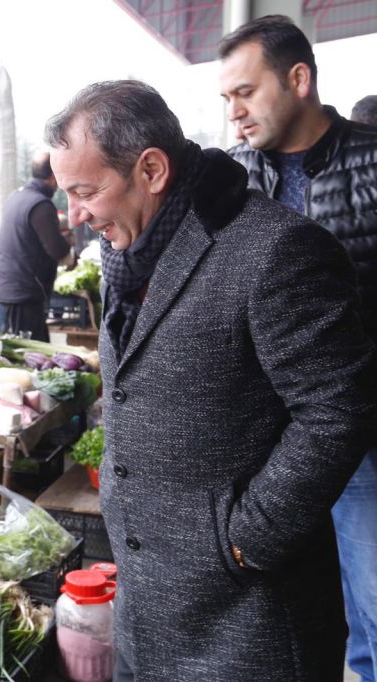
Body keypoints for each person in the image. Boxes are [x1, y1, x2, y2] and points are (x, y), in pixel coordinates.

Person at [46, 79, 376, 681]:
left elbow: (339, 410)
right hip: (150, 611)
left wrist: (247, 540)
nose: (75, 215)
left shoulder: (277, 250)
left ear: (150, 169)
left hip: (247, 623)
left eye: (86, 192)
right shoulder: (129, 254)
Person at [218, 17, 377, 681]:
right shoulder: (230, 183)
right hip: (271, 443)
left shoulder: (372, 161)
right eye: (226, 99)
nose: (234, 113)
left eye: (245, 93)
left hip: (361, 429)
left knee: (372, 594)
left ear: (299, 80)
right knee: (310, 608)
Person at [0, 152, 71, 340]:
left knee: (13, 355)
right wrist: (67, 240)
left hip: (6, 290)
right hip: (24, 294)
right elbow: (57, 249)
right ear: (53, 177)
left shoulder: (15, 197)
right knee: (31, 360)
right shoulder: (41, 205)